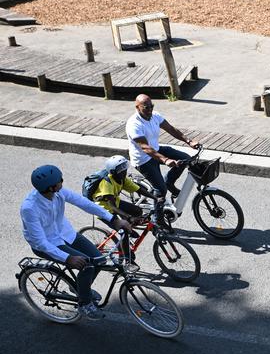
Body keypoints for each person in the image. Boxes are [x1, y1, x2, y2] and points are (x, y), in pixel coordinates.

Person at [21, 165, 130, 320]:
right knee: (87, 266)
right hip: (48, 244)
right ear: (51, 187)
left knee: (99, 260)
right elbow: (39, 242)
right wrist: (68, 258)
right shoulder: (29, 208)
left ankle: (80, 288)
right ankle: (84, 303)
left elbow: (85, 203)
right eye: (60, 180)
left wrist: (113, 219)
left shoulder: (58, 192)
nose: (62, 182)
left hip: (67, 235)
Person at [126, 94, 200, 222]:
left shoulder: (155, 115)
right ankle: (158, 221)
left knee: (185, 159)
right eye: (146, 107)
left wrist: (189, 141)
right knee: (160, 190)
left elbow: (171, 129)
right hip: (143, 159)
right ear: (137, 107)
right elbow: (145, 148)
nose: (150, 110)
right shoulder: (134, 124)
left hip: (156, 150)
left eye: (151, 106)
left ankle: (169, 182)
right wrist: (165, 160)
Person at [91, 155, 157, 270]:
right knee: (123, 231)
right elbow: (112, 207)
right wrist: (128, 218)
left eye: (124, 167)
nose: (124, 171)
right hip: (104, 210)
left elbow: (138, 189)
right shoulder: (106, 183)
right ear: (113, 172)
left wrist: (155, 198)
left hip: (114, 203)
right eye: (121, 169)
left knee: (137, 210)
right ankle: (128, 261)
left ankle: (129, 229)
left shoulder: (121, 178)